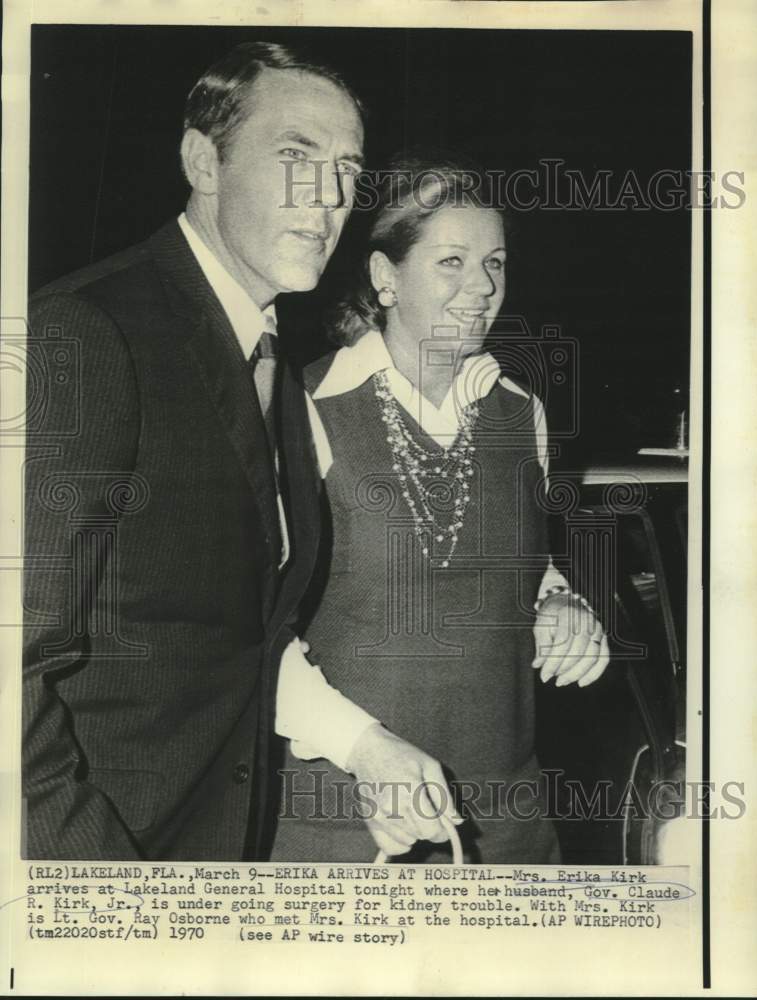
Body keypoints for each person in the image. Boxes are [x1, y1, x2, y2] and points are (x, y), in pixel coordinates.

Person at [21, 41, 402, 861]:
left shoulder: (274, 364)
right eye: (296, 155)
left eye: (347, 168)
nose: (330, 197)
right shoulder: (87, 333)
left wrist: (368, 749)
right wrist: (100, 897)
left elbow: (238, 641)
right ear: (204, 160)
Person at [270, 158, 610, 863]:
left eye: (495, 262)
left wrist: (562, 606)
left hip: (506, 833)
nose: (482, 287)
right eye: (451, 261)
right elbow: (245, 634)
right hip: (344, 832)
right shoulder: (302, 408)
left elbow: (527, 569)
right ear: (385, 277)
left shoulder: (523, 414)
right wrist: (362, 751)